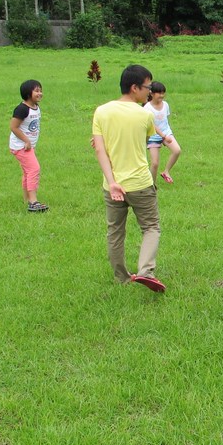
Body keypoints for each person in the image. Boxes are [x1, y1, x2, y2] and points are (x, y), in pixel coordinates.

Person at [91, 64, 166, 293]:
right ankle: (145, 271)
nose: (150, 93)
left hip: (112, 185)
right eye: (147, 87)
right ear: (134, 88)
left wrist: (112, 181)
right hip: (141, 184)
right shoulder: (144, 114)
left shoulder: (101, 111)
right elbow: (145, 141)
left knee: (115, 231)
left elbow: (99, 150)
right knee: (151, 227)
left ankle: (122, 277)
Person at [9, 79, 48, 213]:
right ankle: (33, 202)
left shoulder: (36, 107)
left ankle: (27, 199)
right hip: (21, 146)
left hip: (28, 146)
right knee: (34, 169)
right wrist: (26, 141)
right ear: (27, 93)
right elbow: (13, 127)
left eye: (40, 90)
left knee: (27, 172)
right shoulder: (22, 109)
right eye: (36, 91)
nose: (40, 93)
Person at [144, 81, 181, 184]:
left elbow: (165, 120)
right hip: (153, 136)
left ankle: (166, 171)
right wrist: (163, 136)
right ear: (151, 93)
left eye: (163, 93)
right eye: (159, 93)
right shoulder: (147, 108)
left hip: (166, 132)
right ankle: (152, 185)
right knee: (155, 163)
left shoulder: (165, 105)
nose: (162, 95)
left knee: (177, 150)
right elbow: (152, 125)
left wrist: (167, 134)